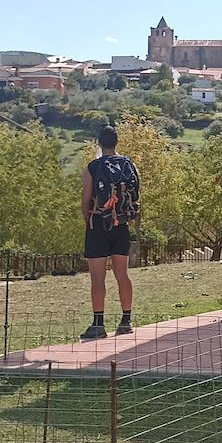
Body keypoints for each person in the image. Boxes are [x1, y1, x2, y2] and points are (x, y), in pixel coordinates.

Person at [80, 124, 141, 340]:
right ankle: (126, 320)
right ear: (117, 142)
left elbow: (85, 201)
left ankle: (98, 323)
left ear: (99, 142)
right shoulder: (129, 164)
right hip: (122, 225)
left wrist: (89, 219)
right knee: (122, 274)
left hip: (98, 224)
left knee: (97, 277)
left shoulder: (93, 168)